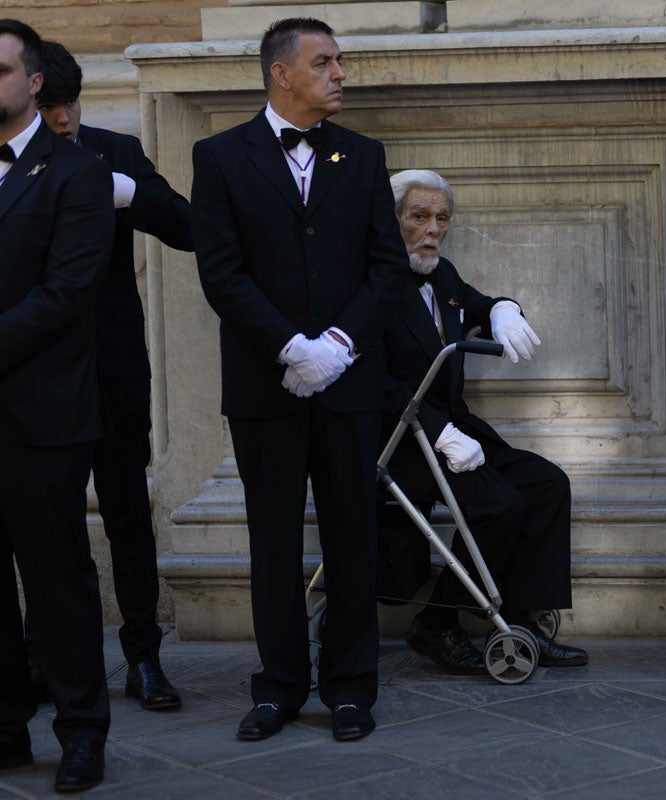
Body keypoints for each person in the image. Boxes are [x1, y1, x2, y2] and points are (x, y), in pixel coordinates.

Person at [190, 17, 407, 743]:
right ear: (281, 73)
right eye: (325, 61)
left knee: (353, 535)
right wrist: (290, 348)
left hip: (348, 383)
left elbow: (387, 267)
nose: (340, 72)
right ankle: (279, 685)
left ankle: (350, 687)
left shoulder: (365, 155)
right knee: (273, 541)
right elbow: (221, 272)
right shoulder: (219, 157)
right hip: (265, 384)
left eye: (339, 60)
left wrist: (339, 344)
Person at [25, 39, 193, 712]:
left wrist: (131, 196)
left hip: (115, 369)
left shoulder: (114, 152)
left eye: (71, 104)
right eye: (50, 105)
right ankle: (49, 658)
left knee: (128, 515)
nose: (63, 119)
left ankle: (144, 658)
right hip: (38, 377)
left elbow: (189, 227)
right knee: (50, 526)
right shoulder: (13, 166)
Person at [379, 169, 588, 672]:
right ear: (391, 221)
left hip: (455, 430)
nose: (432, 229)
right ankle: (436, 626)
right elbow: (369, 379)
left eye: (442, 218)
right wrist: (437, 432)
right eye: (419, 217)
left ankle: (521, 620)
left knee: (546, 483)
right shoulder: (372, 283)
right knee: (498, 505)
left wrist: (503, 310)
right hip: (399, 440)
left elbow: (479, 303)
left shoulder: (443, 274)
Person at [0, 18, 114, 792]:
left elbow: (66, 294)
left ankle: (81, 731)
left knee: (57, 579)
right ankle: (6, 726)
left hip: (42, 414)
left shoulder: (76, 174)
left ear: (32, 81)